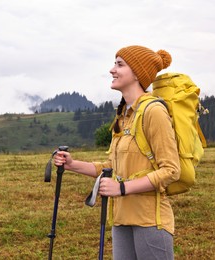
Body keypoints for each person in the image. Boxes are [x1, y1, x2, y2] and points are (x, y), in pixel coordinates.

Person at [54, 45, 180, 259]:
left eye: (120, 64)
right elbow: (110, 168)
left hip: (150, 220)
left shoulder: (154, 112)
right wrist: (72, 165)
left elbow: (170, 170)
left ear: (137, 73)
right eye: (114, 63)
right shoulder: (123, 115)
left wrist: (122, 188)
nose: (112, 70)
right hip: (121, 218)